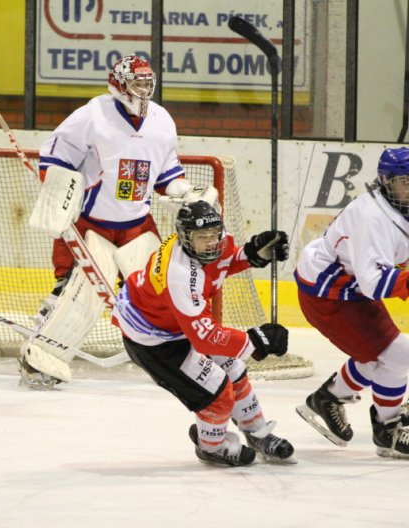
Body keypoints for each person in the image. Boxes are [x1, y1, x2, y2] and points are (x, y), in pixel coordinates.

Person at [21, 54, 212, 388]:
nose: (144, 89)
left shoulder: (162, 120)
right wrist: (57, 187)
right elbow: (55, 156)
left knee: (165, 287)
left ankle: (177, 356)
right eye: (137, 83)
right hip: (91, 223)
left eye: (148, 83)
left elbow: (167, 172)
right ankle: (40, 359)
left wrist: (184, 191)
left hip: (137, 222)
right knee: (82, 294)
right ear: (120, 84)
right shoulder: (92, 115)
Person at [111, 200, 294, 466]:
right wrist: (257, 341)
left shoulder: (211, 244)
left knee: (234, 370)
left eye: (213, 236)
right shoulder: (180, 275)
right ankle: (212, 447)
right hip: (154, 339)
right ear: (186, 239)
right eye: (201, 238)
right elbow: (204, 337)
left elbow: (224, 261)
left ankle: (256, 432)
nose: (210, 243)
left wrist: (254, 253)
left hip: (175, 324)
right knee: (218, 393)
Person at [295, 146, 409, 459]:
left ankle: (328, 399)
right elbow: (375, 284)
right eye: (405, 182)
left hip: (348, 287)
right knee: (397, 355)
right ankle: (388, 429)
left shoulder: (399, 207)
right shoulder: (373, 220)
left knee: (377, 357)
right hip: (328, 294)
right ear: (387, 183)